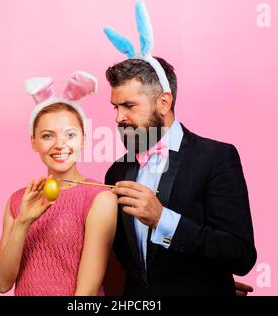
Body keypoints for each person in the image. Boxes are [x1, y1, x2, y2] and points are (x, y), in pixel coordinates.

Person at [103, 1, 256, 295]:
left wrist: (164, 220)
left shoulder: (216, 158)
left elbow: (241, 254)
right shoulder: (118, 171)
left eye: (129, 106)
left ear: (164, 101)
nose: (118, 117)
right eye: (115, 106)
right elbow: (125, 259)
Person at [0, 71, 118, 296]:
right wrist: (23, 222)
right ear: (34, 142)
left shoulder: (100, 199)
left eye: (70, 135)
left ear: (84, 139)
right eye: (48, 136)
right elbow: (2, 284)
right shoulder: (17, 200)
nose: (60, 145)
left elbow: (86, 295)